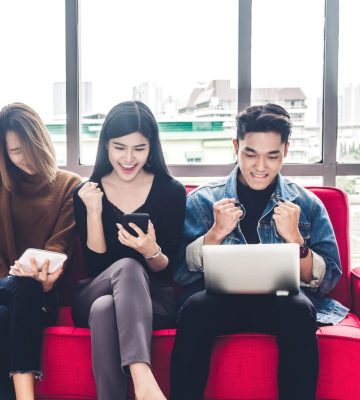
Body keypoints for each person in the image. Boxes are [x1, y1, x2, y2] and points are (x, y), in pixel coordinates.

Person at [170, 103, 349, 399]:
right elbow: (178, 273)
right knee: (195, 308)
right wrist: (214, 234)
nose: (260, 167)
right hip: (217, 303)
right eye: (250, 154)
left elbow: (329, 279)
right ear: (236, 146)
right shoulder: (203, 200)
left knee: (299, 308)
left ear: (286, 151)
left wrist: (295, 241)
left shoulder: (307, 204)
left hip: (281, 306)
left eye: (272, 156)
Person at [0, 16, 81, 400]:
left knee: (3, 317)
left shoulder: (68, 186)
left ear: (41, 143)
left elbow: (59, 250)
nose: (22, 160)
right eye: (12, 152)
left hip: (37, 296)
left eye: (27, 150)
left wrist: (47, 276)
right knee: (8, 297)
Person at [72, 101, 186, 400]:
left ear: (151, 148)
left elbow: (168, 269)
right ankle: (142, 375)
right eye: (119, 147)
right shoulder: (87, 192)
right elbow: (97, 268)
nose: (128, 158)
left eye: (139, 148)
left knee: (105, 310)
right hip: (94, 289)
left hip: (153, 301)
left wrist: (151, 250)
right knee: (126, 268)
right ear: (106, 146)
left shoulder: (171, 191)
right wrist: (94, 212)